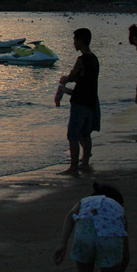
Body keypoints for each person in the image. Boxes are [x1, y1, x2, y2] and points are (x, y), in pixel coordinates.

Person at [53, 182, 130, 272]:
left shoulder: (85, 201)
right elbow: (125, 252)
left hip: (85, 233)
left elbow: (70, 216)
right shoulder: (118, 209)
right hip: (110, 236)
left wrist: (63, 243)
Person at [56, 28, 100, 176]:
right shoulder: (94, 58)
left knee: (73, 135)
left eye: (75, 39)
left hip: (80, 101)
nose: (73, 42)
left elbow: (72, 76)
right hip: (91, 101)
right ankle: (85, 163)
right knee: (85, 133)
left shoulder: (81, 60)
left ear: (81, 40)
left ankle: (73, 166)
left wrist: (63, 80)